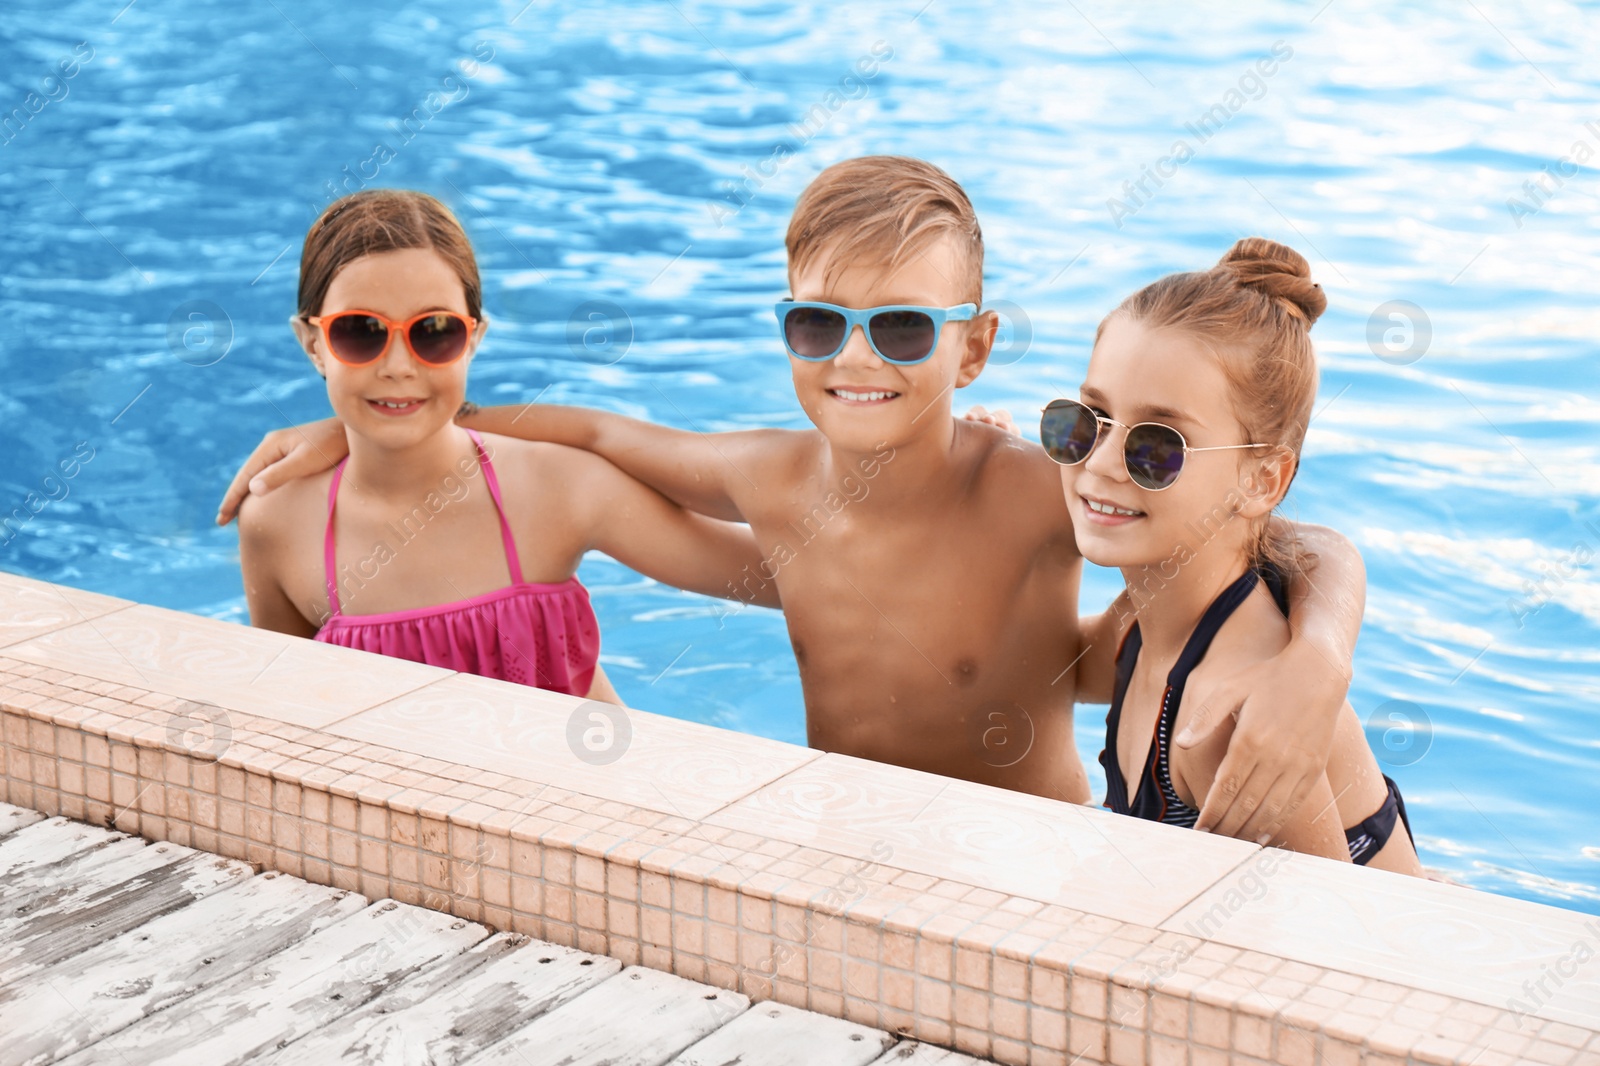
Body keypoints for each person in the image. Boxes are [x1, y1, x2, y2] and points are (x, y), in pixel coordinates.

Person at [220, 159, 1364, 840]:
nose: (858, 357)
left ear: (973, 348)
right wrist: (385, 406)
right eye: (822, 323)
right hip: (841, 842)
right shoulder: (765, 480)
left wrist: (1320, 652)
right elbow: (597, 431)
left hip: (1028, 847)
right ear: (787, 330)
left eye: (904, 327)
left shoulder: (1038, 480)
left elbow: (1248, 528)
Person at [234, 189, 775, 702]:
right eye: (361, 331)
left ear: (474, 339)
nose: (397, 366)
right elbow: (287, 720)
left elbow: (788, 579)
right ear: (313, 344)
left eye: (433, 330)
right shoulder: (277, 521)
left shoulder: (555, 488)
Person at [1043, 237, 1421, 872]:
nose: (1100, 463)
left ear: (1263, 481)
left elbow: (1331, 951)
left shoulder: (1221, 718)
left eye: (1157, 446)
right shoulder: (1143, 622)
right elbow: (1051, 667)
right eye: (1087, 419)